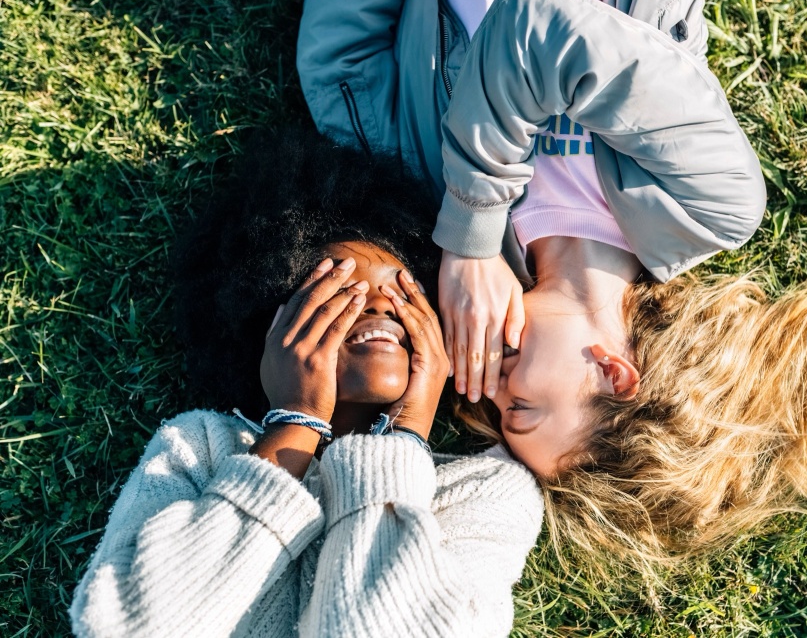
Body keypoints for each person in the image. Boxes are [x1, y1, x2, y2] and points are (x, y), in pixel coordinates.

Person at [297, 0, 807, 573]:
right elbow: (529, 26)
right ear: (614, 374)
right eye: (522, 408)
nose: (488, 386)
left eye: (499, 414)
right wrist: (473, 235)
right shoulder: (711, 204)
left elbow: (343, 62)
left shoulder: (424, 204)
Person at [69, 130, 544, 638]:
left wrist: (404, 442)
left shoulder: (486, 494)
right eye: (341, 290)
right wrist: (298, 421)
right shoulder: (196, 449)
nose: (381, 304)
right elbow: (123, 627)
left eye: (405, 290)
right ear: (272, 326)